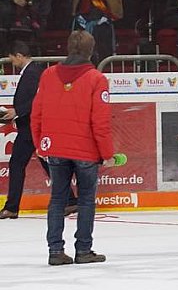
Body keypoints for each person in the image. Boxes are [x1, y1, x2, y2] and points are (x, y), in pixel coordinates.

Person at [32, 31, 112, 266]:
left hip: (55, 148)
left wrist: (40, 144)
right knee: (86, 200)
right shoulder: (97, 78)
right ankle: (83, 249)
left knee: (57, 199)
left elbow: (36, 114)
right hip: (86, 150)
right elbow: (101, 122)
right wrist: (107, 153)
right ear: (91, 50)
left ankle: (55, 250)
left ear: (68, 48)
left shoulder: (48, 75)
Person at [0, 40, 46, 219]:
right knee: (47, 163)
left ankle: (12, 207)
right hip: (30, 125)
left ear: (19, 56)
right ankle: (70, 200)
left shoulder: (32, 72)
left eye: (12, 58)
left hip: (30, 127)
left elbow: (37, 98)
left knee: (17, 164)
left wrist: (17, 111)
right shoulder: (32, 71)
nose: (12, 62)